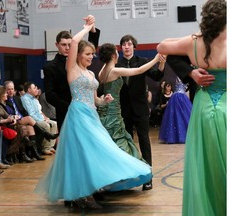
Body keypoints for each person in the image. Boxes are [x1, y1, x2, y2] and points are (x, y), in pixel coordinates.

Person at [38, 15, 152, 209]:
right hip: (78, 115)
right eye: (87, 54)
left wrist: (103, 100)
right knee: (83, 153)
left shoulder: (90, 73)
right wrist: (87, 27)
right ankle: (82, 194)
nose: (91, 57)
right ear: (79, 55)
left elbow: (95, 99)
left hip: (91, 114)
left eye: (92, 54)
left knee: (98, 150)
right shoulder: (72, 69)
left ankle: (91, 189)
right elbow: (74, 42)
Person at [157, 0, 226, 215]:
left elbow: (161, 46)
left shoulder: (194, 43)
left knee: (205, 164)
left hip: (204, 106)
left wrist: (191, 71)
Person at [117, 34, 166, 190]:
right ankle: (129, 174)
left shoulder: (142, 61)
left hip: (140, 107)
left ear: (134, 46)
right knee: (127, 140)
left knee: (144, 139)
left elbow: (157, 76)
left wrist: (161, 64)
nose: (126, 46)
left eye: (129, 44)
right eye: (124, 44)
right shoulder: (117, 63)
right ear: (121, 47)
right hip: (124, 108)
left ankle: (147, 175)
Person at [97, 43, 160, 159]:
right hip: (114, 112)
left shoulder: (102, 72)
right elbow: (139, 70)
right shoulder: (114, 71)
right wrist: (155, 59)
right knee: (121, 142)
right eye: (116, 51)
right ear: (113, 56)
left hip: (106, 110)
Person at [43, 23, 100, 132]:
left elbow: (90, 47)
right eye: (63, 44)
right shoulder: (50, 67)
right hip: (65, 111)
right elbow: (50, 95)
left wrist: (92, 28)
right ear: (56, 45)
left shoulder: (80, 61)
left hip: (86, 109)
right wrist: (71, 107)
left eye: (70, 44)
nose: (67, 48)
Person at [21, 82, 58, 155]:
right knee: (46, 125)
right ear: (29, 90)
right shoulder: (25, 98)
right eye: (34, 88)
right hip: (33, 120)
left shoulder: (34, 99)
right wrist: (43, 120)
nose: (36, 89)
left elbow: (39, 111)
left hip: (40, 118)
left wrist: (45, 118)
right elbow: (31, 114)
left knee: (54, 123)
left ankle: (50, 146)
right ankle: (45, 148)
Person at [158, 77, 192, 144]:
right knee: (179, 115)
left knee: (180, 115)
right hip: (180, 97)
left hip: (179, 96)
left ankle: (178, 136)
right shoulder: (183, 76)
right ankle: (179, 136)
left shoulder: (185, 76)